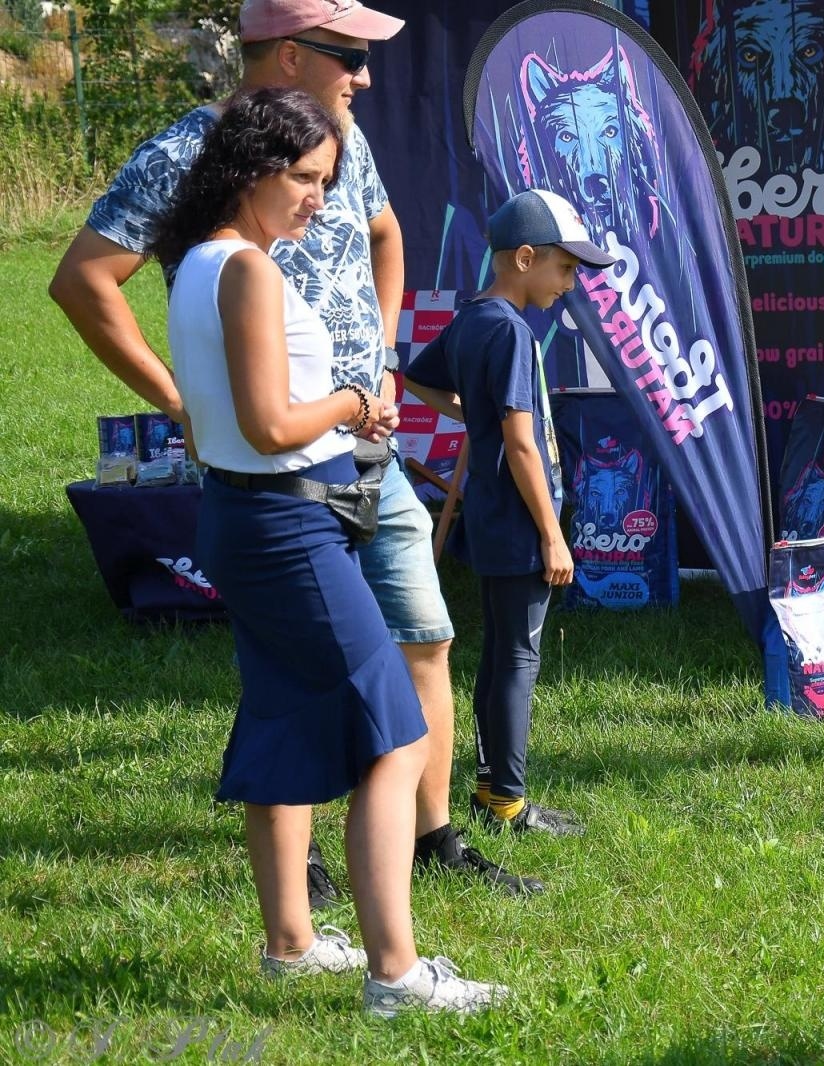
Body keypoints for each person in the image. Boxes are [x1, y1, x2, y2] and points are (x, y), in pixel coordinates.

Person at [48, 0, 540, 898]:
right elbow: (83, 279)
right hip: (277, 469)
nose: (365, 75)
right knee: (293, 663)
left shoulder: (339, 136)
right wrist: (179, 398)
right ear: (285, 54)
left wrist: (382, 359)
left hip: (368, 449)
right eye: (348, 55)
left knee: (425, 638)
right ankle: (304, 865)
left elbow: (386, 234)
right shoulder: (184, 153)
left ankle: (432, 839)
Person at [153, 85, 505, 1015]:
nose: (319, 198)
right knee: (396, 734)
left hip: (248, 517)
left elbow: (224, 423)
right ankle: (396, 974)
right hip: (286, 524)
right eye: (306, 179)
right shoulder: (248, 271)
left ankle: (292, 944)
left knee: (282, 715)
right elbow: (270, 425)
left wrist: (337, 417)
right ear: (253, 171)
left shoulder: (201, 261)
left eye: (327, 180)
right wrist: (352, 403)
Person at [404, 190, 615, 833]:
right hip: (522, 522)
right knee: (519, 656)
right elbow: (522, 443)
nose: (570, 284)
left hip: (491, 517)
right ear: (525, 258)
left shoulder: (473, 318)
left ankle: (491, 787)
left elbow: (416, 377)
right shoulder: (513, 332)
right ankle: (508, 802)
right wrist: (552, 534)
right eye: (565, 268)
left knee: (500, 652)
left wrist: (474, 414)